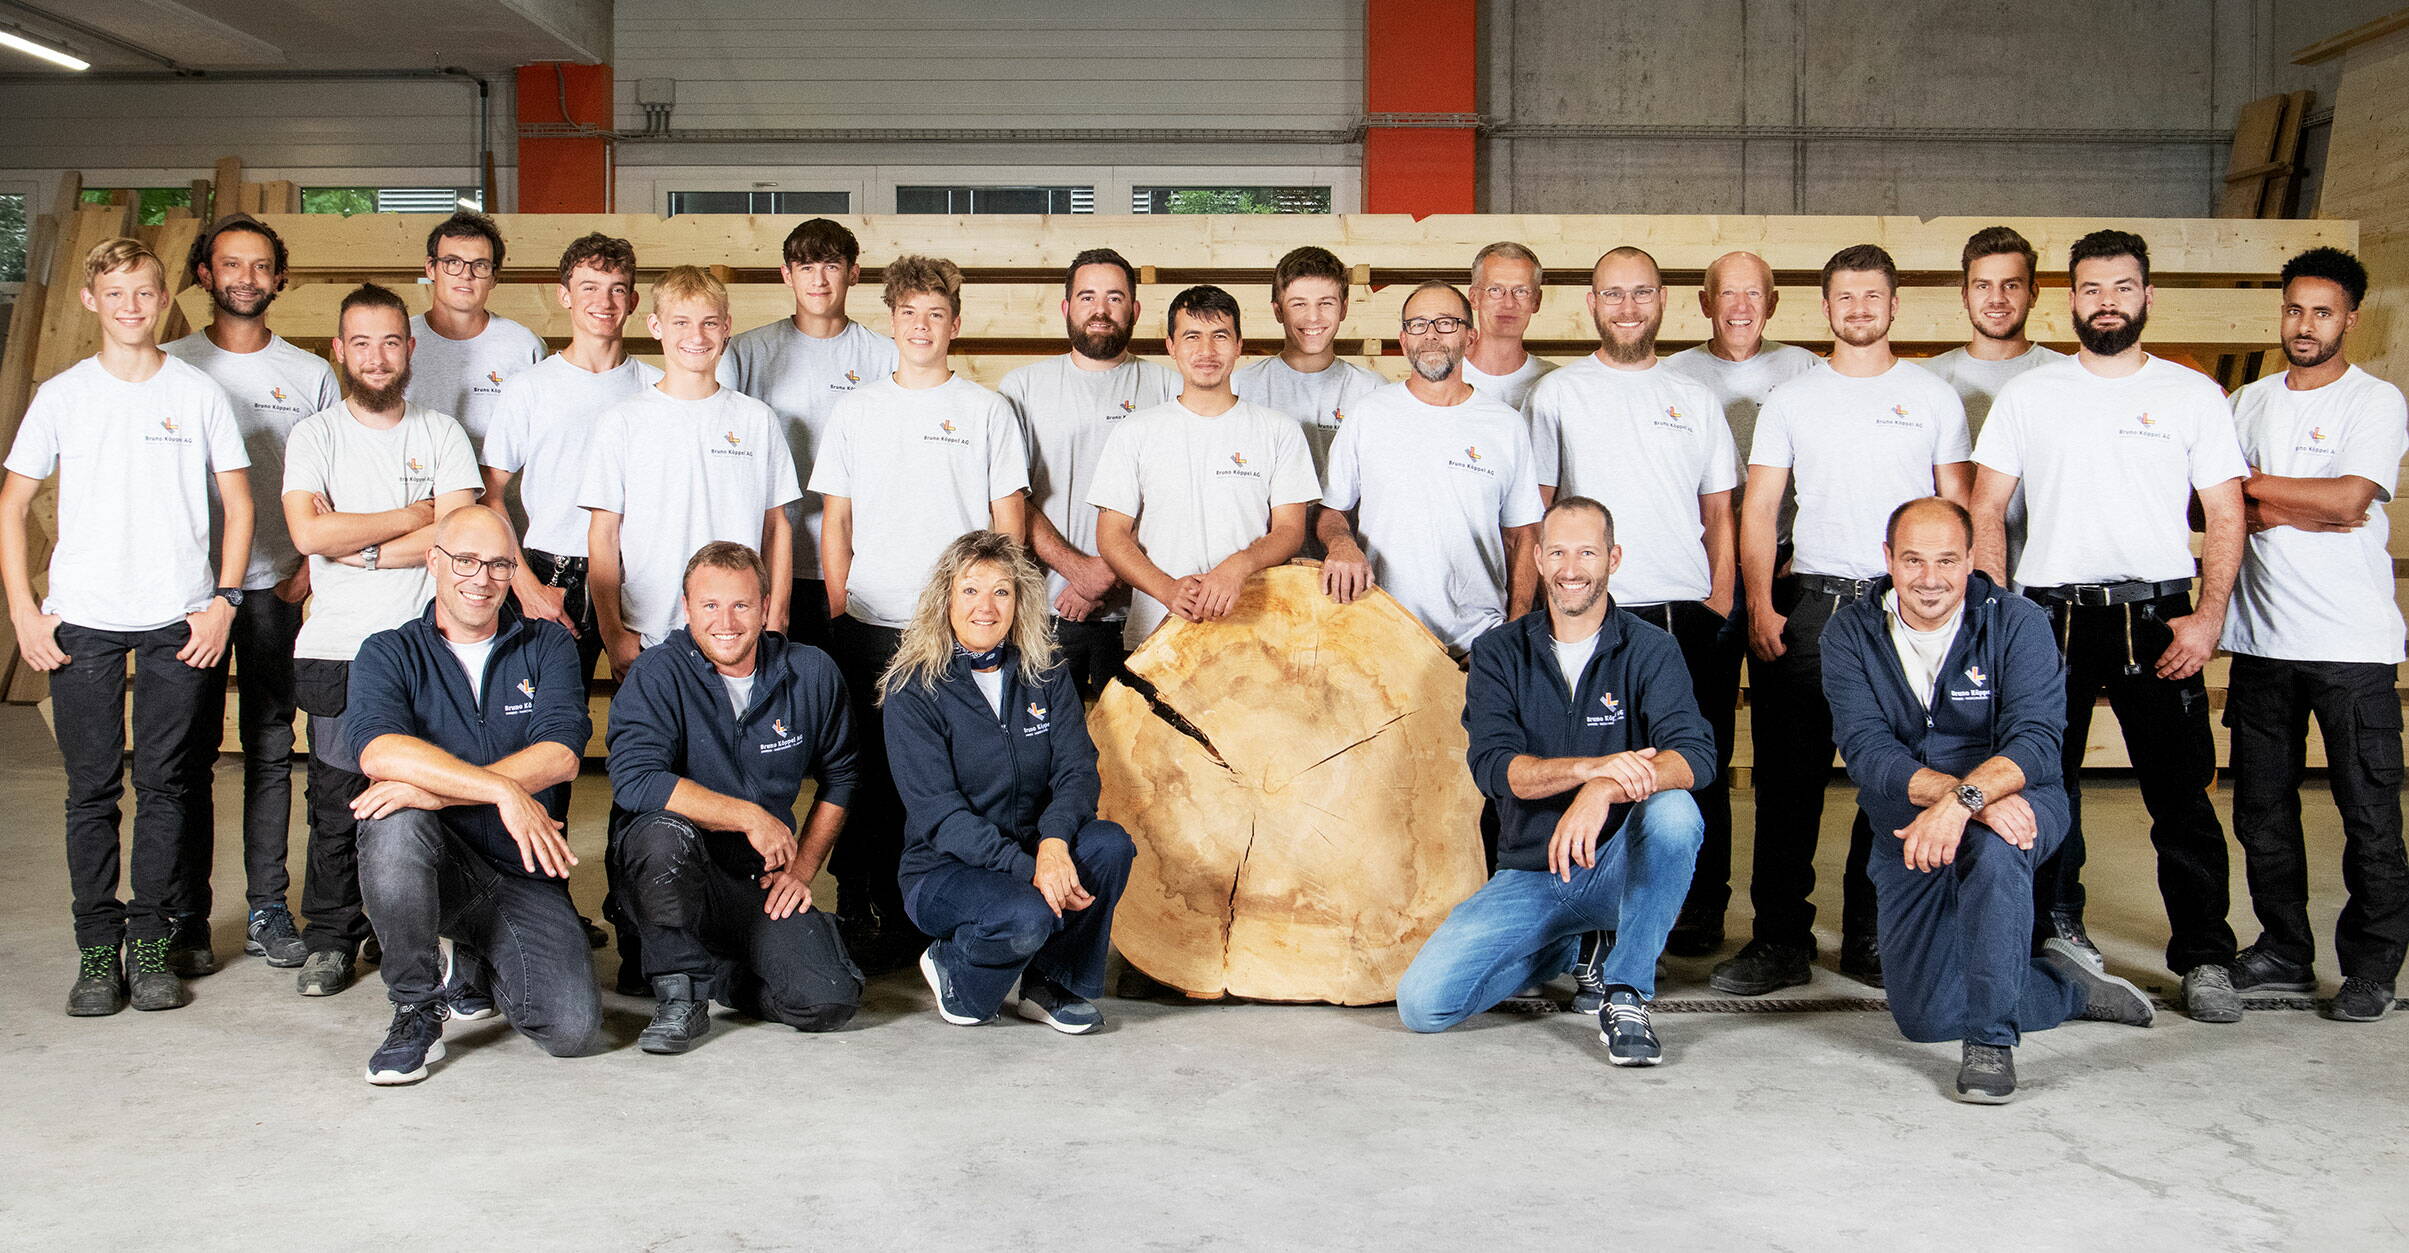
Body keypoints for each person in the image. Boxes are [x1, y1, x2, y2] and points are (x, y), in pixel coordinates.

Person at [1971, 229, 2249, 1023]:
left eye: (2122, 288)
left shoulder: (2191, 394)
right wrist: (1996, 610)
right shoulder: (2031, 394)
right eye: (2091, 289)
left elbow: (2225, 510)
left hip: (2157, 615)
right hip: (2046, 615)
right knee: (2042, 783)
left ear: (2147, 296)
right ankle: (2056, 935)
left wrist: (2205, 617)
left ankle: (2203, 956)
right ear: (2070, 299)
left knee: (2180, 796)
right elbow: (1987, 507)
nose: (2106, 303)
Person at [1822, 498, 2154, 1104]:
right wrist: (1962, 798)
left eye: (1947, 560)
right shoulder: (1850, 630)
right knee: (1922, 1019)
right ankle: (2066, 986)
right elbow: (1868, 752)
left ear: (1972, 559)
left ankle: (1990, 1041)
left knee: (1997, 844)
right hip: (1909, 821)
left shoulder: (2017, 621)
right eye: (1914, 560)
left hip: (2024, 802)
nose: (1930, 579)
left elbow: (2036, 741)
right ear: (1888, 559)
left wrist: (1968, 802)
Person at [3, 237, 252, 1015]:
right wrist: (25, 612)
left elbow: (239, 503)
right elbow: (10, 505)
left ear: (162, 298)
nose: (131, 307)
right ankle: (94, 952)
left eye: (144, 293)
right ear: (90, 301)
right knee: (91, 790)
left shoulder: (197, 391)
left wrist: (223, 599)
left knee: (168, 785)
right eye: (115, 294)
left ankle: (150, 945)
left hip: (179, 619)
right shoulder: (63, 394)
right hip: (82, 621)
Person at [1726, 243, 1972, 997]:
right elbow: (1760, 508)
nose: (1858, 309)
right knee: (1787, 784)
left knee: (1894, 782)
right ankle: (1778, 939)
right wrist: (1762, 603)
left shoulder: (1932, 396)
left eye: (1872, 296)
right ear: (1824, 308)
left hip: (1906, 612)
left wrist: (1955, 609)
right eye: (1844, 297)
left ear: (1894, 305)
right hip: (1811, 606)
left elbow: (1955, 511)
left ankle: (1872, 934)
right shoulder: (1793, 399)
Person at [1396, 497, 1713, 1067]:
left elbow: (1695, 756)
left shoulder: (1650, 649)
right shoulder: (1498, 653)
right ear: (1538, 559)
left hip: (1619, 866)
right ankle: (1572, 947)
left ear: (1613, 559)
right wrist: (1589, 768)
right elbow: (1495, 768)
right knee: (1425, 1006)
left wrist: (1605, 791)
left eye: (1588, 552)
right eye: (1560, 552)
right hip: (1533, 871)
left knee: (1674, 812)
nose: (1573, 568)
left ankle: (1626, 992)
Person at [1527, 246, 1741, 980]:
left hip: (1685, 610)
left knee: (1693, 767)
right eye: (1612, 294)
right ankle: (1591, 913)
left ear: (1662, 302)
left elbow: (1719, 511)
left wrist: (1719, 600)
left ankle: (1699, 908)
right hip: (1594, 611)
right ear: (1591, 302)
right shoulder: (1557, 394)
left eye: (1640, 293)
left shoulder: (1694, 397)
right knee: (1598, 768)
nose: (1626, 307)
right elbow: (1541, 510)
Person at [811, 253, 1030, 967]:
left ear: (955, 323)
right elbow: (835, 521)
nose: (921, 326)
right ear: (892, 321)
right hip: (873, 624)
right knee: (866, 773)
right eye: (908, 313)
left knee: (944, 777)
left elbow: (1008, 527)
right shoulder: (856, 409)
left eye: (935, 313)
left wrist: (993, 610)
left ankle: (926, 910)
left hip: (957, 630)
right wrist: (843, 606)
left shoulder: (986, 410)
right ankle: (856, 903)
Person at [346, 505, 599, 1084]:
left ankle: (476, 953)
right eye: (465, 561)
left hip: (522, 871)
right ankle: (415, 1007)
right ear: (435, 562)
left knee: (571, 1028)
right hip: (441, 866)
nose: (481, 579)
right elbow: (380, 754)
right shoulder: (388, 651)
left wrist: (437, 791)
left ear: (514, 571)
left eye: (498, 565)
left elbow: (560, 756)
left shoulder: (547, 647)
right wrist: (503, 791)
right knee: (393, 822)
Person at [2222, 246, 2408, 1023]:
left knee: (2368, 813)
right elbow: (2212, 507)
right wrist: (2302, 500)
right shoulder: (2247, 402)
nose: (2305, 324)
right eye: (2294, 309)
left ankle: (2369, 966)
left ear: (2350, 320)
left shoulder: (2376, 400)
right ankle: (2283, 949)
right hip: (2263, 643)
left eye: (2322, 312)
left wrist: (2254, 489)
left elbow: (2349, 499)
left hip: (2352, 649)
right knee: (2262, 810)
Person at [282, 282, 482, 998]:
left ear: (411, 349)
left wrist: (356, 542)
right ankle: (332, 938)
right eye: (360, 342)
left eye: (390, 340)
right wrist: (406, 517)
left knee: (429, 794)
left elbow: (458, 537)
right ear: (338, 350)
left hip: (427, 651)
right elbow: (308, 534)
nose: (375, 355)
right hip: (337, 647)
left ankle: (430, 932)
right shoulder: (315, 435)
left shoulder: (442, 433)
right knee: (337, 798)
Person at [163, 212, 339, 971]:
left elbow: (335, 482)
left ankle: (269, 906)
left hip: (275, 590)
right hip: (190, 595)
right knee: (188, 756)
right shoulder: (168, 365)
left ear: (279, 278)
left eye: (260, 265)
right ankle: (187, 915)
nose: (245, 277)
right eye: (230, 264)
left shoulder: (309, 375)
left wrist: (306, 573)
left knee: (271, 748)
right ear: (205, 274)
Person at [605, 541, 862, 1052]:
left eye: (741, 604)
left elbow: (844, 776)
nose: (726, 620)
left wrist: (802, 868)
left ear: (766, 607)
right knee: (663, 832)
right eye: (710, 605)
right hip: (672, 869)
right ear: (686, 608)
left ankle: (719, 973)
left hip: (755, 877)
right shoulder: (658, 673)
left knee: (828, 1000)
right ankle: (680, 994)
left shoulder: (810, 672)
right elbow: (636, 779)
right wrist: (748, 816)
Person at [884, 531, 1135, 1031]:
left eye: (1002, 591)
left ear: (1020, 602)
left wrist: (1055, 843)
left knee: (1109, 846)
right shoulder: (912, 689)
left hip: (1035, 849)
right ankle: (953, 965)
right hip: (943, 869)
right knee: (1027, 914)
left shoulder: (1047, 671)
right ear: (945, 599)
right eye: (971, 590)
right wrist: (1030, 869)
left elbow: (1076, 770)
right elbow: (942, 817)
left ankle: (1049, 984)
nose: (986, 606)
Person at [583, 265, 799, 677]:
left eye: (709, 323)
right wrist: (613, 634)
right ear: (655, 326)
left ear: (726, 327)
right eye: (681, 322)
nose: (696, 336)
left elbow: (778, 528)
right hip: (649, 631)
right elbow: (603, 533)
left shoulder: (757, 420)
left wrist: (776, 620)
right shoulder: (623, 421)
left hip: (738, 633)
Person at [1318, 280, 1541, 656]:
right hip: (1385, 631)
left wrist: (1516, 628)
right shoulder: (1369, 415)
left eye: (1446, 323)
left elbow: (1524, 535)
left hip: (1480, 641)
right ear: (1403, 340)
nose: (1431, 335)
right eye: (1418, 324)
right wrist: (1341, 544)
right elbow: (1332, 511)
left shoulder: (1505, 425)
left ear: (1470, 336)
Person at [1092, 285, 1318, 651]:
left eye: (1220, 336)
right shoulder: (1134, 431)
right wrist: (1166, 589)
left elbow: (1290, 530)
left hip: (1252, 633)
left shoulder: (1279, 430)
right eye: (1192, 337)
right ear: (1171, 346)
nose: (1206, 351)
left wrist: (1237, 567)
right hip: (1158, 635)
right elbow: (1111, 536)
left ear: (1239, 345)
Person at [481, 232, 655, 688]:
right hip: (551, 571)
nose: (605, 301)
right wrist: (525, 586)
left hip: (638, 568)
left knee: (647, 720)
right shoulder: (529, 388)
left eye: (617, 288)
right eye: (589, 287)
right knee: (550, 719)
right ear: (565, 296)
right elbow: (490, 494)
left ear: (634, 300)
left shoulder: (658, 388)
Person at [1003, 247, 1178, 698]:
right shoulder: (1022, 388)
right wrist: (1077, 569)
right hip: (1045, 607)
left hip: (1145, 609)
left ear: (1135, 310)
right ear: (1066, 308)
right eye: (1087, 297)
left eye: (1115, 298)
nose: (1100, 310)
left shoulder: (1169, 387)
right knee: (1043, 752)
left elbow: (1175, 499)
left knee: (1133, 758)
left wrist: (1108, 574)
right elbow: (1009, 496)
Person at [721, 218, 898, 650]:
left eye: (832, 266)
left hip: (859, 562)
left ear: (853, 273)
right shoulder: (746, 352)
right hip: (770, 563)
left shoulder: (885, 354)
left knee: (854, 704)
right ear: (787, 275)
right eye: (805, 267)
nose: (818, 280)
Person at [1921, 226, 2067, 588]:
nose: (1996, 298)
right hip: (1948, 580)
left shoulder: (2067, 379)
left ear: (2033, 294)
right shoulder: (1928, 382)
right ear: (1965, 295)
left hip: (2049, 580)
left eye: (2011, 285)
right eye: (1983, 286)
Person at [1233, 245, 1385, 477]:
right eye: (1298, 304)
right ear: (1278, 312)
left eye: (1326, 303)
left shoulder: (1373, 390)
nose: (1313, 317)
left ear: (1344, 309)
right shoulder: (1241, 387)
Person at [404, 211, 544, 455]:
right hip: (411, 489)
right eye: (452, 262)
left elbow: (538, 437)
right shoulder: (398, 341)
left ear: (493, 278)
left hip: (499, 492)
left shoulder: (524, 347)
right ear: (430, 268)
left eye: (480, 265)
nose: (465, 275)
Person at [1462, 241, 1555, 408]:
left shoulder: (1555, 382)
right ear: (1474, 298)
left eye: (1521, 291)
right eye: (1495, 290)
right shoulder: (1446, 378)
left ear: (1536, 301)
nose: (1508, 304)